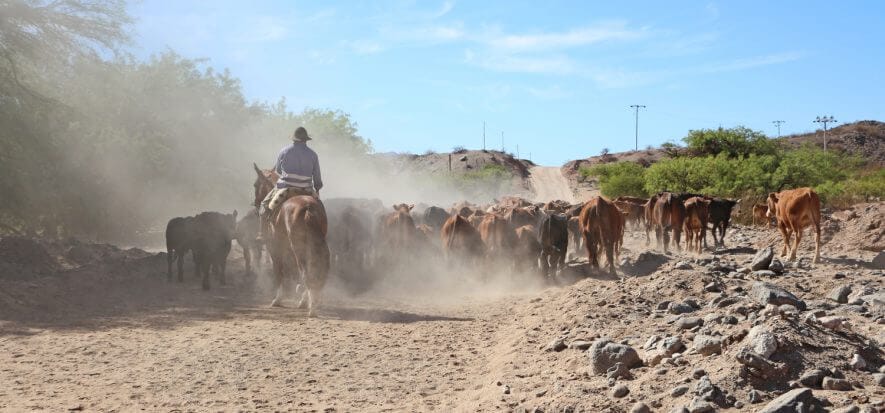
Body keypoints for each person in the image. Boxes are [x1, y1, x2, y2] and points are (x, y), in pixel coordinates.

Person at [257, 127, 323, 236]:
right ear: (306, 140)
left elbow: (278, 170)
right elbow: (317, 177)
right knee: (320, 208)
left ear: (293, 139)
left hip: (285, 189)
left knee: (264, 206)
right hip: (306, 190)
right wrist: (318, 188)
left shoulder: (284, 151)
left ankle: (262, 234)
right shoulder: (313, 154)